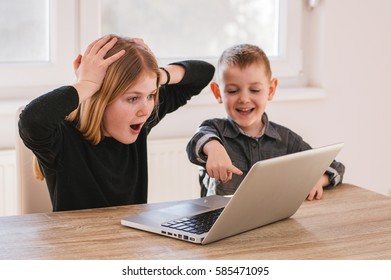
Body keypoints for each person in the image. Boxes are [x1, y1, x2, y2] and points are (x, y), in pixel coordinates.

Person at [19, 35, 215, 211]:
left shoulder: (140, 121)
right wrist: (87, 84)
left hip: (128, 246)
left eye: (151, 95)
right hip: (78, 248)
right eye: (133, 98)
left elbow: (205, 72)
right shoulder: (63, 139)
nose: (146, 110)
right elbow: (32, 120)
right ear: (100, 97)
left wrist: (156, 75)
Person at [186, 44, 345, 200]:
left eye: (254, 90)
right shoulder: (214, 130)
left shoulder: (287, 140)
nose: (244, 99)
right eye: (233, 91)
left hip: (271, 223)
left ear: (270, 90)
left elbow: (336, 168)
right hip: (219, 223)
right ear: (217, 92)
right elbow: (197, 142)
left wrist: (318, 179)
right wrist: (213, 148)